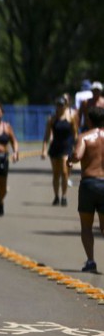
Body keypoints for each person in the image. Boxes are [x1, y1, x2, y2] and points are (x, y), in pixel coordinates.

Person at [70, 106, 104, 273]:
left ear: (89, 120)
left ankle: (91, 261)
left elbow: (77, 156)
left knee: (86, 225)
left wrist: (70, 158)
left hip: (89, 184)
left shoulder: (84, 137)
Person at [42, 96, 78, 206]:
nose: (60, 107)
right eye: (58, 105)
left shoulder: (70, 118)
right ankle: (56, 196)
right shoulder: (52, 119)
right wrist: (44, 150)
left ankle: (64, 196)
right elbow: (46, 136)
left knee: (64, 172)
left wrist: (75, 147)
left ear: (65, 106)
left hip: (66, 147)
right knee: (56, 174)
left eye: (62, 105)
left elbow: (75, 134)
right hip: (55, 148)